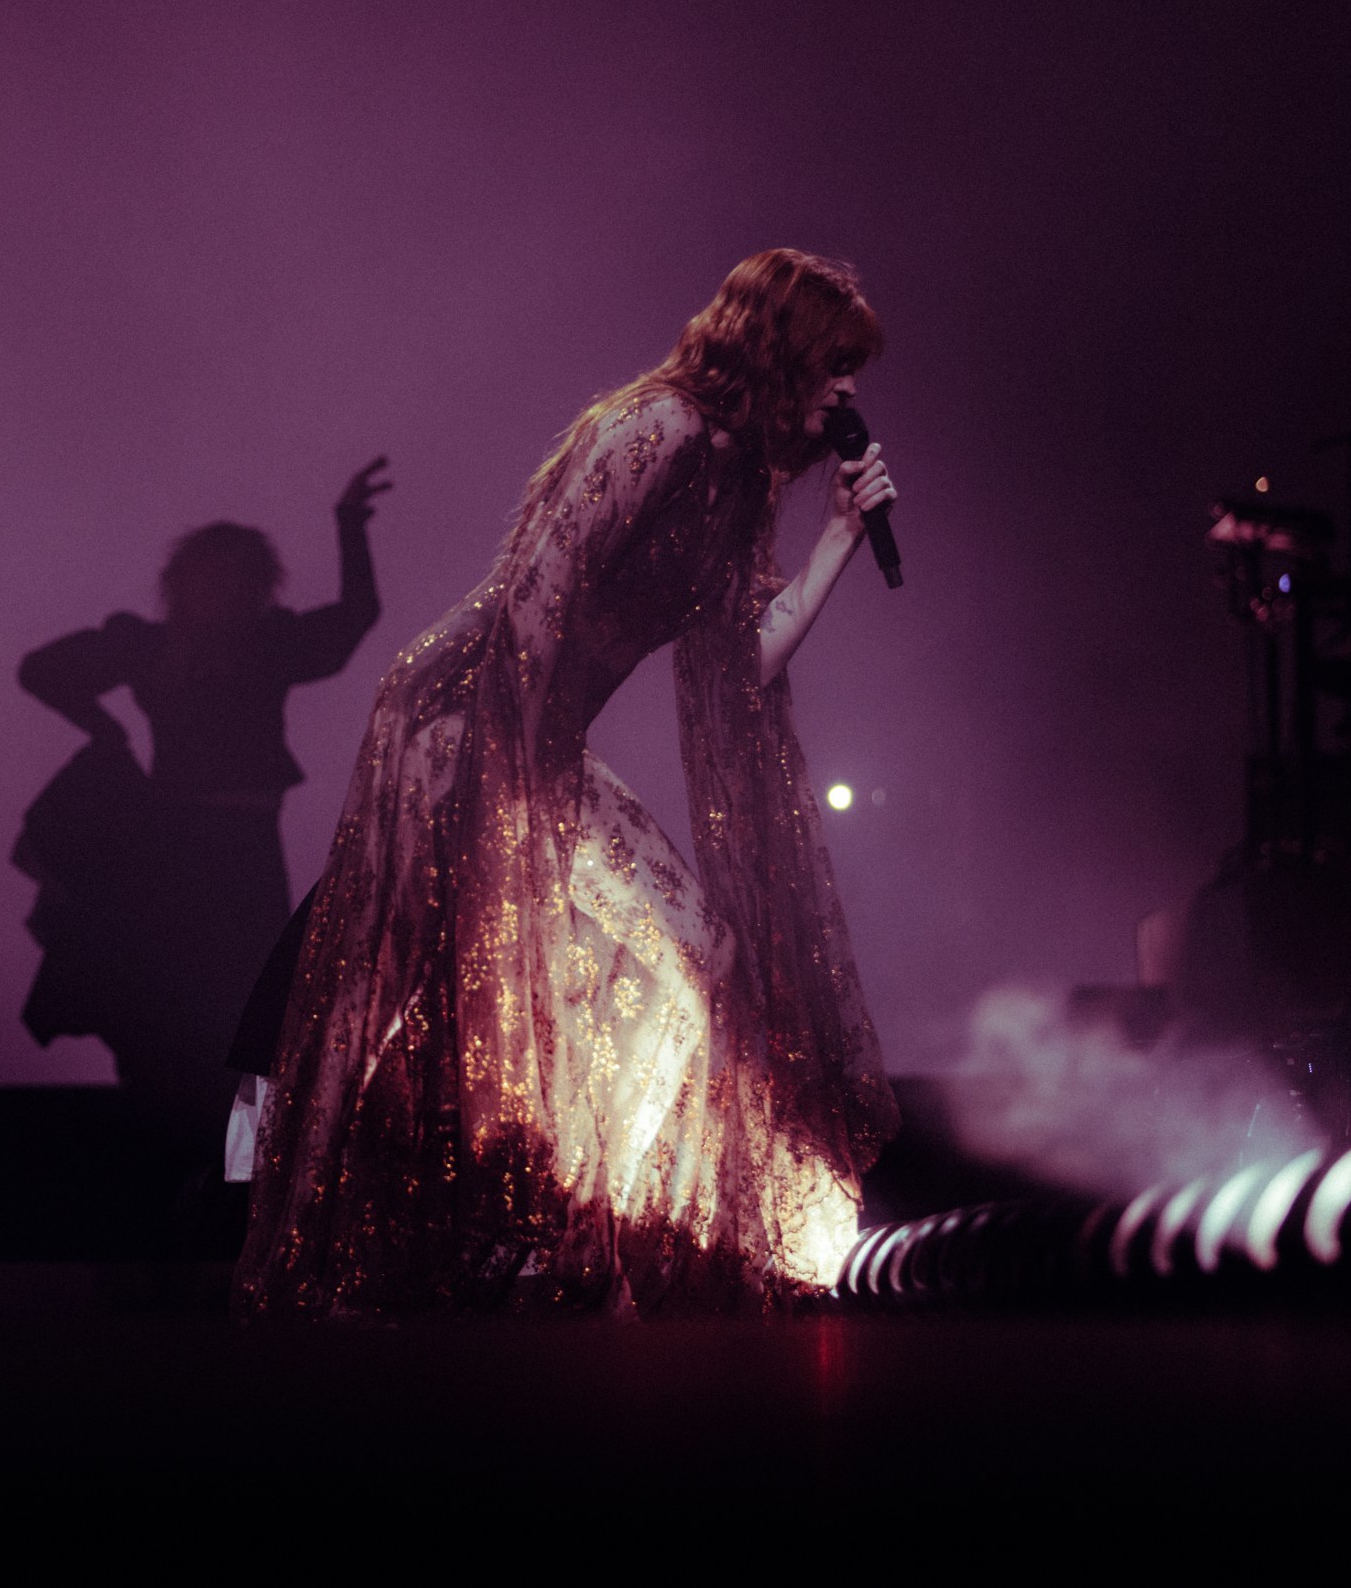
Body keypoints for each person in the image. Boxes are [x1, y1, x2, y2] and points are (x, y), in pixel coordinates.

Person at [235, 251, 902, 1320]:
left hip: (537, 743)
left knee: (692, 952)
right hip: (462, 722)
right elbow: (533, 606)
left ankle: (578, 1232)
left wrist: (835, 540)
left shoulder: (738, 480)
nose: (848, 389)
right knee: (435, 985)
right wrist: (509, 806)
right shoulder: (657, 428)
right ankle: (406, 1242)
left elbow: (738, 664)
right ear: (778, 349)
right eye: (833, 363)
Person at [16, 465, 389, 1149]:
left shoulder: (263, 645)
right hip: (180, 849)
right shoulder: (155, 646)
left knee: (248, 1007)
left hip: (240, 847)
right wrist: (104, 729)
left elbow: (351, 621)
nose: (221, 590)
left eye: (234, 578)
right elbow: (41, 671)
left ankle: (236, 1167)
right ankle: (184, 1160)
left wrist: (349, 528)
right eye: (211, 577)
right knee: (172, 1004)